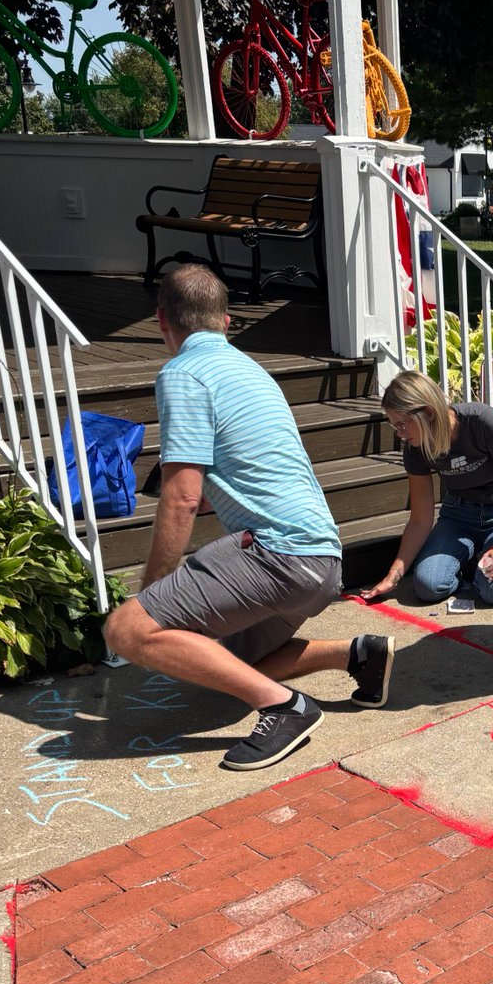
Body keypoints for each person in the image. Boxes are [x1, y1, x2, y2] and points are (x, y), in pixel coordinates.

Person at [104, 265, 395, 772]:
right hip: (323, 560)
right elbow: (238, 480)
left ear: (160, 321)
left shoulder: (183, 373)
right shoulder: (248, 369)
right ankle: (358, 655)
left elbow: (182, 499)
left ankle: (286, 708)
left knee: (127, 631)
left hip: (277, 554)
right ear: (226, 319)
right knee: (223, 665)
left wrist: (153, 592)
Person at [360, 370, 493, 606]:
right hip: (459, 516)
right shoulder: (415, 448)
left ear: (428, 413)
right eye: (395, 426)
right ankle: (474, 563)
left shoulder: (482, 421)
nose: (400, 434)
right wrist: (395, 574)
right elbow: (421, 519)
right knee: (427, 585)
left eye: (402, 425)